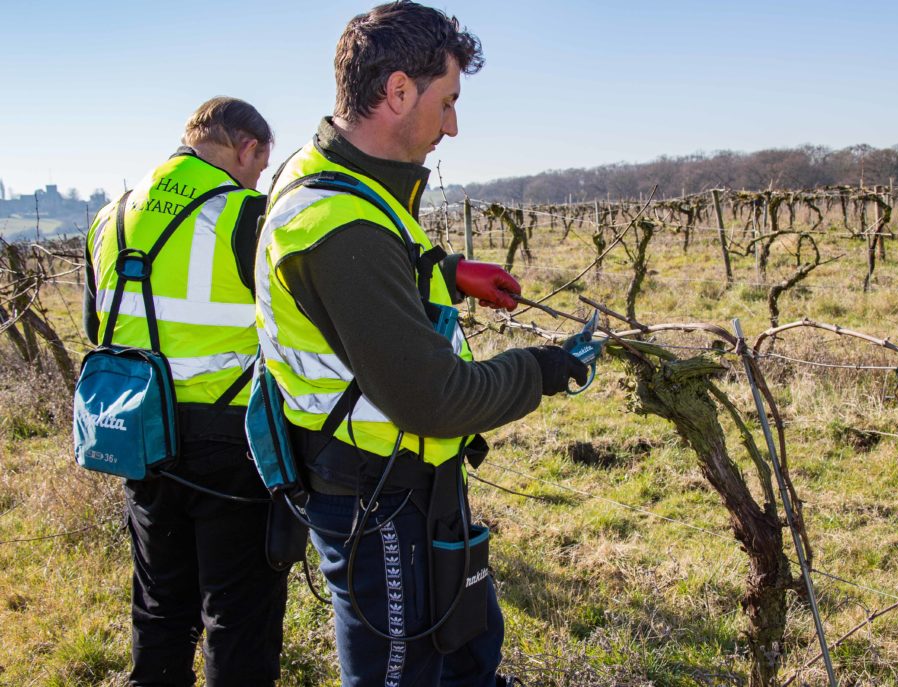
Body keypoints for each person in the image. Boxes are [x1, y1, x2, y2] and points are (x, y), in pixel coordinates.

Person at [254, 2, 588, 685]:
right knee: (406, 672)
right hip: (379, 501)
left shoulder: (324, 176)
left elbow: (361, 279)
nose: (455, 125)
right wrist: (542, 370)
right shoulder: (339, 224)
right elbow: (433, 399)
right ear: (399, 90)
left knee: (467, 651)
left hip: (403, 485)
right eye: (448, 102)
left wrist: (445, 273)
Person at [83, 97, 289, 686]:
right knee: (237, 614)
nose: (256, 179)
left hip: (140, 433)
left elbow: (97, 328)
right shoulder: (247, 214)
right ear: (248, 149)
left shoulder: (111, 215)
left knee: (159, 604)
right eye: (259, 165)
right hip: (231, 439)